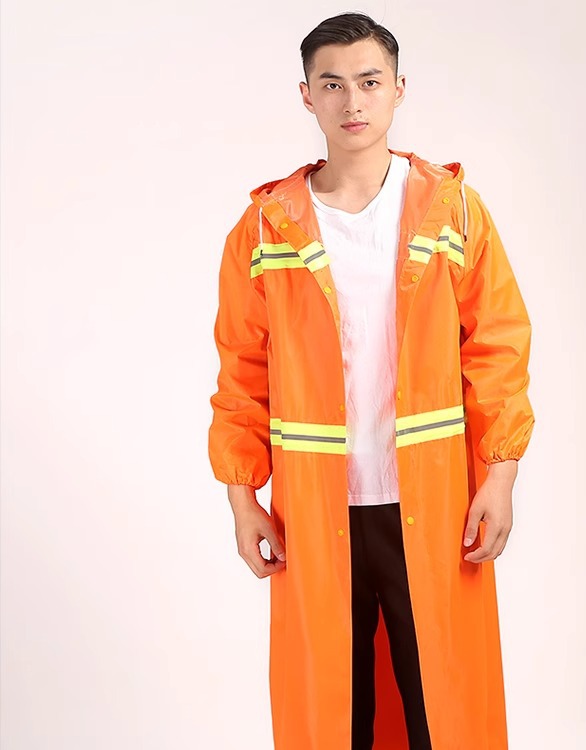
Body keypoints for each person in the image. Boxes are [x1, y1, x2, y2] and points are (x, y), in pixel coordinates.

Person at [208, 11, 535, 750]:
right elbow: (242, 371)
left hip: (437, 501)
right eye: (332, 84)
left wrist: (501, 474)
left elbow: (497, 348)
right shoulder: (265, 228)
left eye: (368, 81)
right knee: (334, 712)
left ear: (398, 88)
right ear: (306, 96)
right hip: (312, 512)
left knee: (442, 708)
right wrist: (242, 498)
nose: (352, 101)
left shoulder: (451, 210)